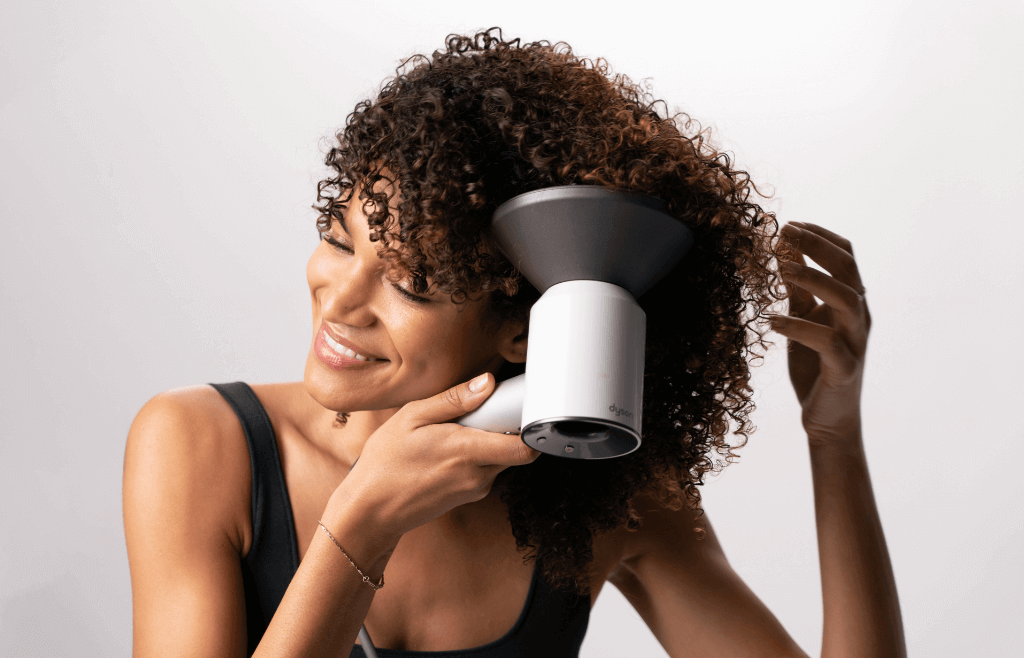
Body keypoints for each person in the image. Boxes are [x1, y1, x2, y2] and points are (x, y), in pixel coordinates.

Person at [122, 28, 905, 658]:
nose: (342, 301)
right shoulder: (200, 447)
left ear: (525, 331)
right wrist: (362, 523)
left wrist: (834, 437)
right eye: (337, 241)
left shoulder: (611, 496)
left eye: (411, 284)